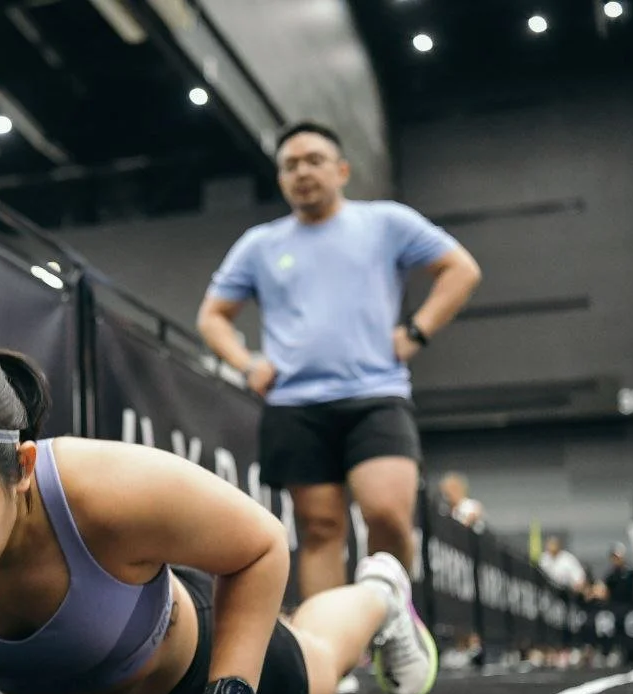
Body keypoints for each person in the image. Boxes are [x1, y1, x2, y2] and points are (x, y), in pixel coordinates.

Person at [0, 336, 438, 694]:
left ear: (22, 469)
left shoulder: (109, 491)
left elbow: (262, 544)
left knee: (320, 659)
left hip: (192, 660)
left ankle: (381, 591)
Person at [196, 120, 482, 602]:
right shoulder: (260, 245)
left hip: (376, 394)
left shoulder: (386, 222)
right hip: (295, 405)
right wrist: (248, 364)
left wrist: (416, 332)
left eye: (314, 161)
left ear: (342, 170)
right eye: (290, 166)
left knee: (388, 515)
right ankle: (332, 655)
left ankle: (392, 620)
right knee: (321, 529)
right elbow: (213, 317)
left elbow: (461, 269)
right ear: (281, 179)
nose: (302, 172)